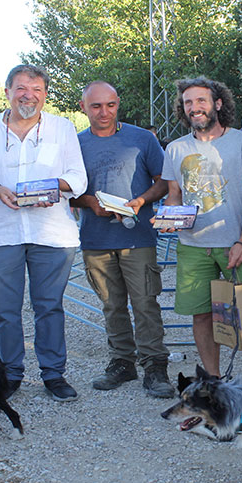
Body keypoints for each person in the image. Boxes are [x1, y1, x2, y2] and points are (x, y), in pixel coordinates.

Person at [0, 64, 88, 402]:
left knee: (49, 306)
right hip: (0, 232)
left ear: (45, 95)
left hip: (52, 234)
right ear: (7, 92)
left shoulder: (62, 129)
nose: (28, 96)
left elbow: (79, 178)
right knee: (5, 310)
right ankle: (9, 373)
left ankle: (53, 374)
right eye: (21, 88)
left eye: (36, 90)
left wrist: (53, 187)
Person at [160, 76, 242, 382]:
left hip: (237, 243)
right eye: (188, 102)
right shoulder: (175, 149)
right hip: (193, 246)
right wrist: (170, 218)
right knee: (202, 315)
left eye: (201, 100)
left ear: (218, 104)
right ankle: (212, 381)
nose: (194, 107)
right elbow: (175, 194)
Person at [71, 81, 174, 398]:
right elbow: (66, 192)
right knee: (111, 305)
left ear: (119, 104)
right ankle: (122, 363)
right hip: (95, 238)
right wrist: (89, 202)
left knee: (145, 303)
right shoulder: (73, 145)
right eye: (96, 106)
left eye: (110, 105)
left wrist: (142, 200)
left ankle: (155, 366)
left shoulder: (142, 139)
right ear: (83, 107)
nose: (104, 112)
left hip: (137, 237)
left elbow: (163, 182)